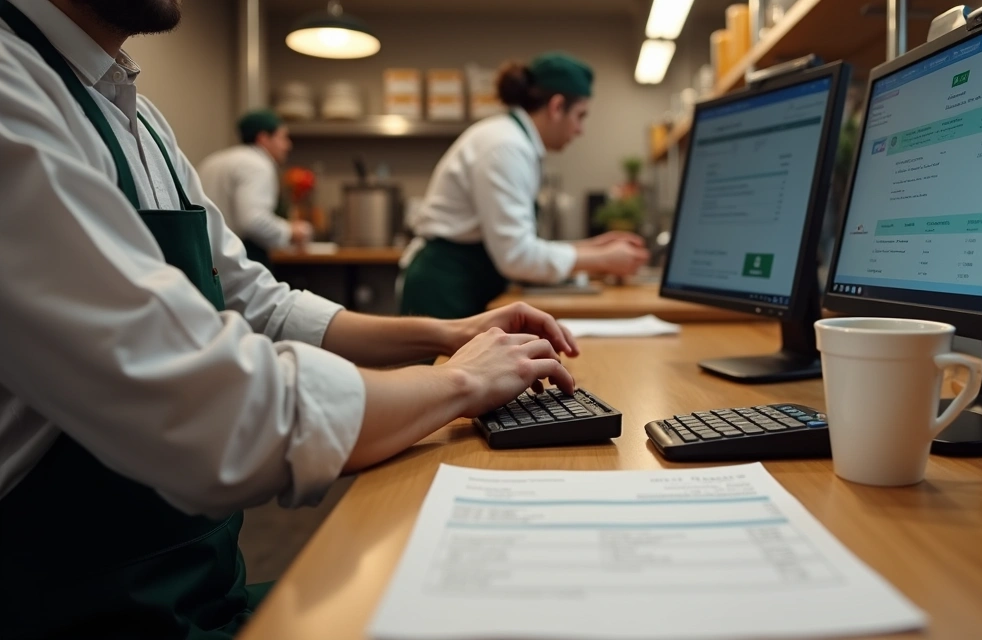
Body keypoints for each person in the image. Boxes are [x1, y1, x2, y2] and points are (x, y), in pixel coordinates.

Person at [0, 1, 579, 637]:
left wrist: (446, 334)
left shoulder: (136, 112)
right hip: (79, 608)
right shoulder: (13, 88)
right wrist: (459, 384)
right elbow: (223, 413)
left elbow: (258, 301)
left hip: (201, 583)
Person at [399, 52, 651, 320]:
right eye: (580, 115)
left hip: (462, 281)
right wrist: (602, 260)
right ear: (556, 107)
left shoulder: (514, 140)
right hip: (443, 289)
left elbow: (518, 243)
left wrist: (592, 248)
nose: (580, 130)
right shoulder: (506, 147)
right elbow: (516, 256)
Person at [199, 108, 312, 267]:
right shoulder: (258, 164)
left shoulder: (214, 160)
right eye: (283, 138)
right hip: (237, 259)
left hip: (204, 256)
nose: (288, 145)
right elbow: (253, 221)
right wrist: (290, 231)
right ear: (264, 138)